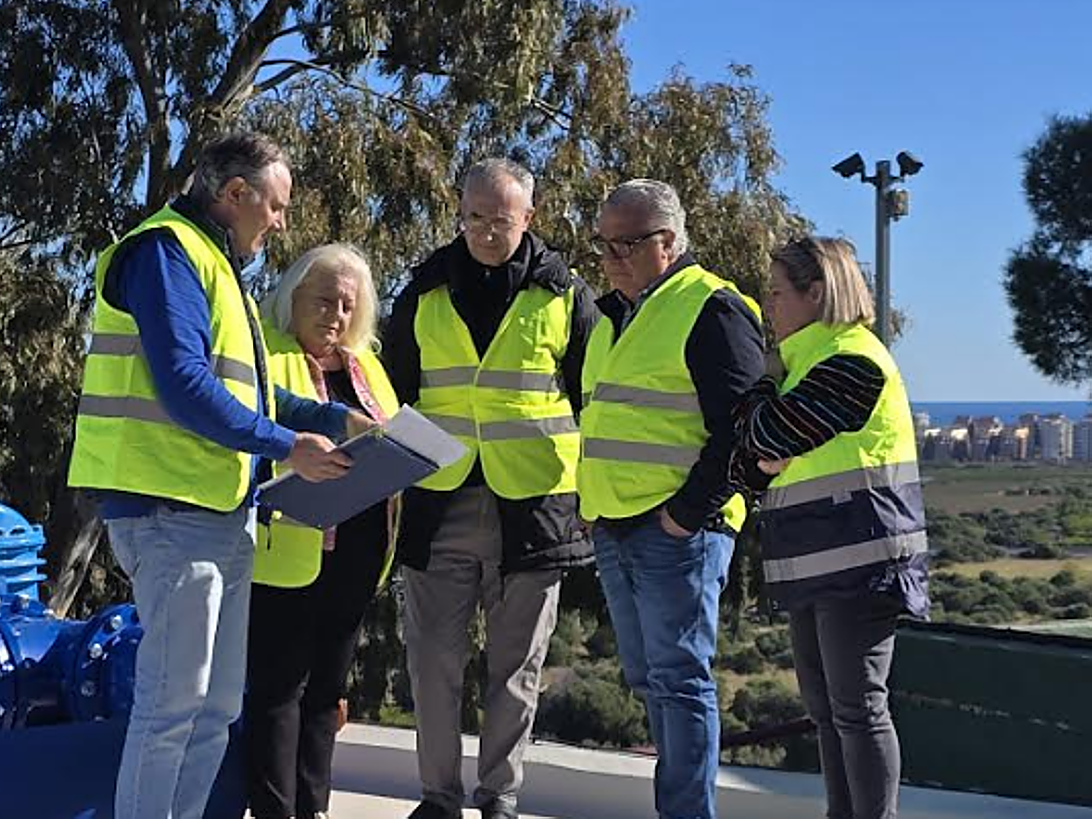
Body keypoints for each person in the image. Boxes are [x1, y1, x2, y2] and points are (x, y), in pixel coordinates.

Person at [68, 132, 369, 819]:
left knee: (213, 710)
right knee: (173, 708)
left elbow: (249, 396)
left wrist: (333, 418)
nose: (281, 222)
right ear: (236, 195)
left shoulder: (215, 266)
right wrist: (291, 446)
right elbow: (184, 386)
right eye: (278, 205)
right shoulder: (165, 251)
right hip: (169, 511)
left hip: (217, 513)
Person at [385, 158, 599, 819]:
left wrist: (590, 500)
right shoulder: (422, 290)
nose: (483, 231)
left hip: (534, 508)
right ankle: (438, 800)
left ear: (528, 219)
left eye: (499, 220)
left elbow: (596, 401)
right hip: (437, 501)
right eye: (473, 217)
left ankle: (499, 799)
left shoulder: (567, 294)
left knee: (516, 670)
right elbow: (392, 397)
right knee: (433, 666)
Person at [576, 179, 765, 819]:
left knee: (681, 683)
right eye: (603, 244)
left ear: (668, 240)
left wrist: (685, 515)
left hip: (678, 530)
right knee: (648, 680)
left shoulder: (712, 307)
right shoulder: (611, 315)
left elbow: (741, 433)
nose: (610, 258)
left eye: (625, 244)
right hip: (617, 526)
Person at [732, 236, 929, 819]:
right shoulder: (805, 365)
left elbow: (764, 437)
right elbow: (749, 457)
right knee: (828, 712)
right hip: (816, 563)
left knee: (858, 709)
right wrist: (765, 424)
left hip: (860, 566)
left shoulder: (852, 359)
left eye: (775, 293)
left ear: (815, 293)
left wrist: (764, 394)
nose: (768, 305)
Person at [245, 244, 401, 819]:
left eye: (346, 305)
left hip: (358, 552)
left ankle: (314, 809)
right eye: (323, 300)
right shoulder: (265, 352)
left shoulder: (368, 367)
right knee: (276, 694)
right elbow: (258, 419)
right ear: (291, 299)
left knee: (324, 697)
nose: (334, 315)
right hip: (286, 551)